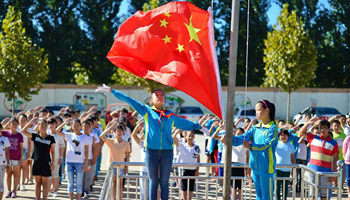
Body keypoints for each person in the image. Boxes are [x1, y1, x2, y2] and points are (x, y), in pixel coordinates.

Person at [95, 84, 201, 200]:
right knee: (153, 182)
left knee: (164, 182)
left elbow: (185, 123)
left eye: (161, 95)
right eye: (156, 95)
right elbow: (129, 100)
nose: (159, 96)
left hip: (167, 152)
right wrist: (112, 91)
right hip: (151, 152)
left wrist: (199, 126)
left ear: (164, 99)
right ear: (151, 100)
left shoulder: (170, 115)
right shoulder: (146, 111)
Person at [232, 100, 277, 200]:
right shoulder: (255, 128)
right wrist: (229, 138)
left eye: (258, 110)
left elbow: (266, 145)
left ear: (267, 111)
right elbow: (243, 137)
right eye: (255, 110)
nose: (256, 113)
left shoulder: (272, 128)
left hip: (266, 168)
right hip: (255, 167)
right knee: (258, 196)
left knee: (267, 197)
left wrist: (250, 147)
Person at [298, 119, 339, 200]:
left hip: (326, 173)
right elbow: (300, 133)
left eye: (325, 128)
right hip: (312, 171)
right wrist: (308, 123)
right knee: (312, 195)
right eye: (321, 128)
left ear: (329, 129)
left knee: (324, 196)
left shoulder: (334, 143)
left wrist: (333, 175)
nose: (322, 130)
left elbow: (335, 160)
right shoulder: (313, 137)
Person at [21, 118, 56, 200]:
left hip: (46, 163)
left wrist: (53, 163)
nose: (43, 127)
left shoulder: (51, 138)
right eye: (41, 125)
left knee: (45, 184)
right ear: (38, 126)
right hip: (36, 163)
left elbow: (53, 152)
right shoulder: (35, 136)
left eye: (45, 126)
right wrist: (30, 123)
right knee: (37, 184)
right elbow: (23, 131)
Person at [56, 119, 89, 200]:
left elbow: (87, 152)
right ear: (72, 127)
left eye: (78, 125)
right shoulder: (69, 135)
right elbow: (56, 131)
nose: (76, 127)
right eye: (74, 125)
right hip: (69, 162)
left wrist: (85, 163)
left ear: (81, 126)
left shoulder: (85, 137)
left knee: (78, 183)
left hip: (80, 163)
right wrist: (64, 123)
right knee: (70, 183)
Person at [100, 123, 130, 200]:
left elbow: (127, 156)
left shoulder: (126, 143)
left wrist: (127, 167)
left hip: (121, 167)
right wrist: (109, 129)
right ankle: (113, 198)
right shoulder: (111, 141)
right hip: (112, 167)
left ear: (123, 132)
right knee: (113, 184)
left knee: (120, 185)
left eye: (121, 131)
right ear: (115, 132)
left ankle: (120, 198)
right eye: (117, 131)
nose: (119, 133)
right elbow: (101, 137)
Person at [173, 130, 200, 200]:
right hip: (184, 169)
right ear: (186, 136)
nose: (190, 137)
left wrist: (197, 170)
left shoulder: (197, 147)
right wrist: (176, 131)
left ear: (194, 136)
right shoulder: (182, 145)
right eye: (189, 136)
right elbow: (172, 139)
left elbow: (198, 160)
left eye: (192, 136)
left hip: (193, 170)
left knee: (191, 187)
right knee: (183, 187)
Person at [2, 118, 23, 198]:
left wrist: (21, 158)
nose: (14, 125)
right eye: (12, 123)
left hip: (16, 158)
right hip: (7, 158)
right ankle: (9, 191)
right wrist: (4, 122)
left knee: (16, 174)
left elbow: (21, 148)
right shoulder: (5, 133)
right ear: (9, 124)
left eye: (16, 123)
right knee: (8, 175)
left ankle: (14, 191)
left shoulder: (19, 135)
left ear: (18, 125)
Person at [275, 129, 296, 200]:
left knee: (285, 187)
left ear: (288, 136)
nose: (283, 136)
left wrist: (293, 170)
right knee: (277, 187)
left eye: (285, 135)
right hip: (277, 169)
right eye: (281, 135)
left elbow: (293, 159)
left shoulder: (290, 146)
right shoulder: (276, 143)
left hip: (287, 170)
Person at [47, 118, 65, 197]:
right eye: (50, 124)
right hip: (46, 158)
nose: (51, 126)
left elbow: (62, 147)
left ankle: (55, 190)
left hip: (56, 158)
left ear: (56, 125)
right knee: (48, 175)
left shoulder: (59, 135)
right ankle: (48, 190)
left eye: (53, 124)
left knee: (55, 175)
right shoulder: (46, 134)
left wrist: (61, 157)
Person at [131, 121, 148, 200]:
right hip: (143, 171)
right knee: (143, 192)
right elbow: (133, 135)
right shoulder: (142, 143)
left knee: (152, 192)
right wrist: (138, 125)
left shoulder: (156, 144)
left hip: (153, 171)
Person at [0, 124, 10, 199]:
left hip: (2, 164)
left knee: (0, 183)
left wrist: (8, 163)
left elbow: (7, 152)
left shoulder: (5, 139)